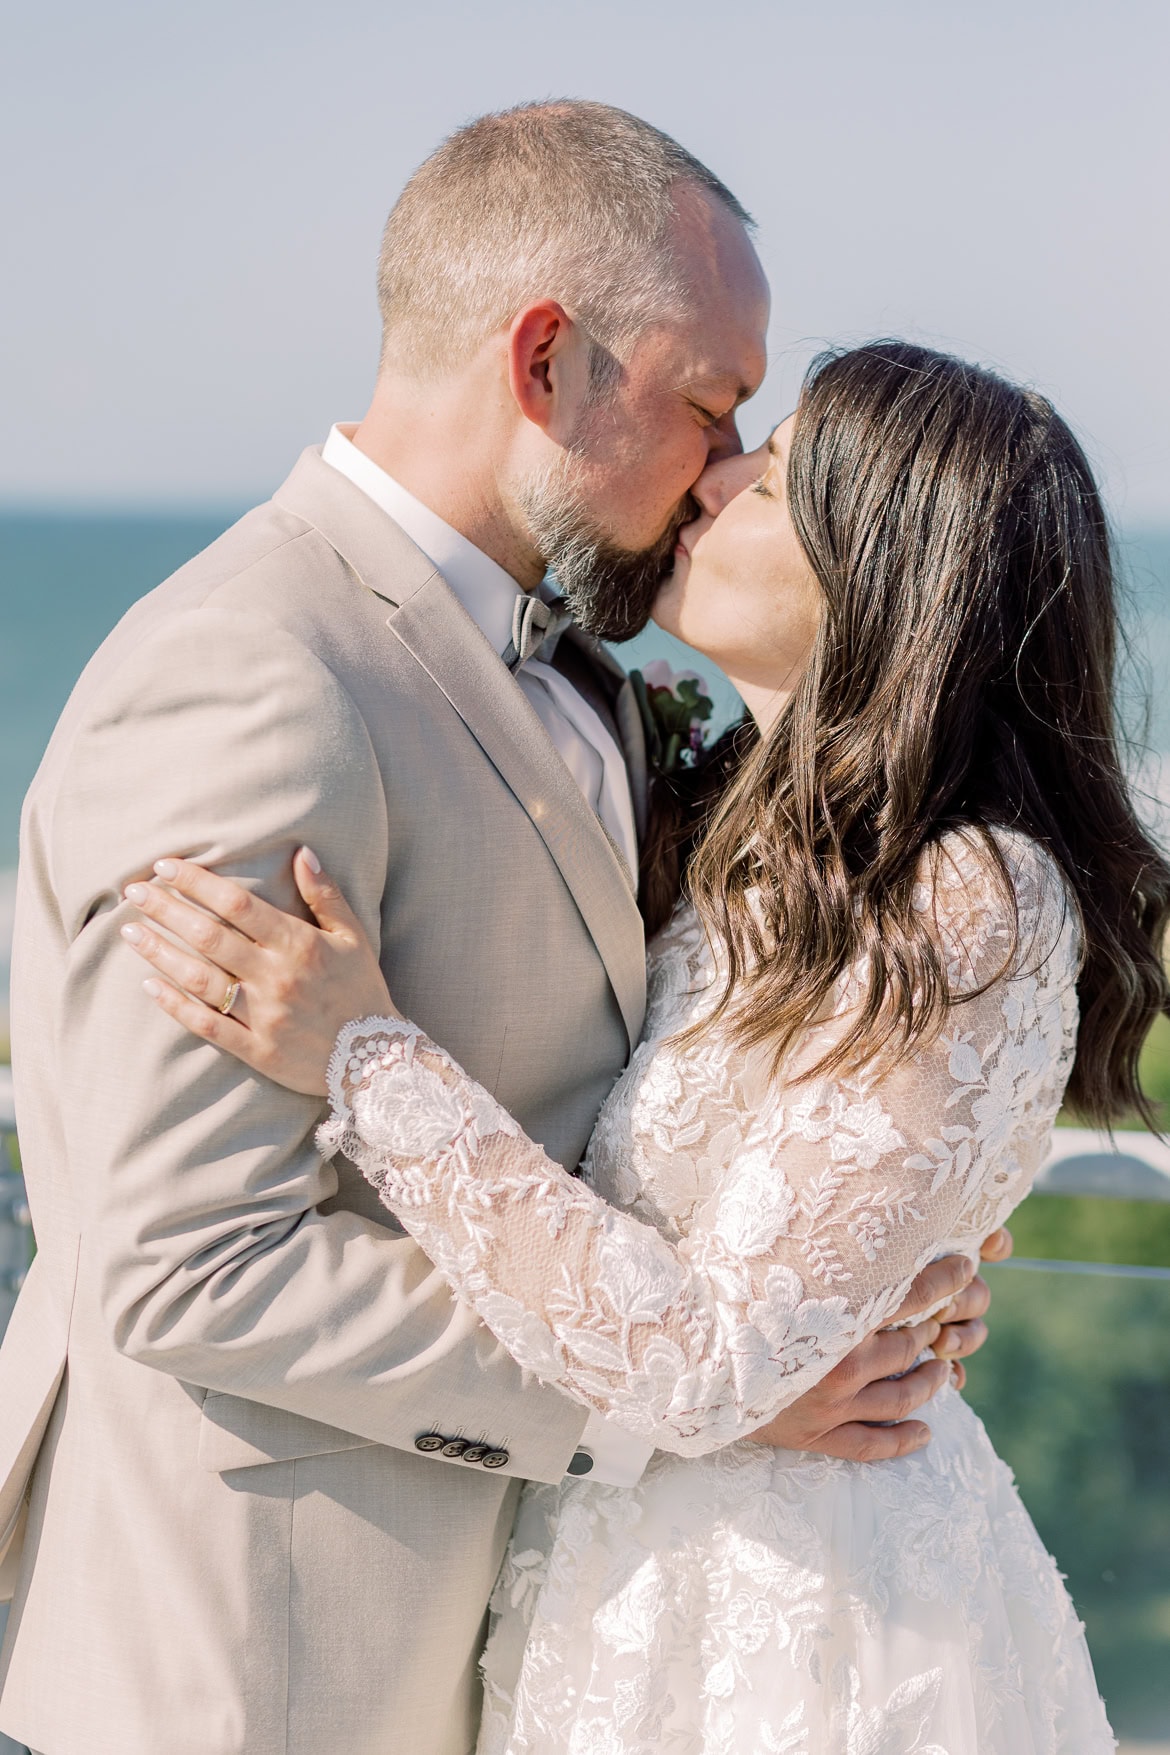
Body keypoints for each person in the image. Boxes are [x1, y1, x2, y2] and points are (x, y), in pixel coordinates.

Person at [0, 106, 994, 1755]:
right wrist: (709, 1393)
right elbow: (190, 1266)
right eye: (708, 403)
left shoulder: (597, 677)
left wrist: (862, 1255)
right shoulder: (254, 673)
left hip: (531, 1648)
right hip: (263, 1661)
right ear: (546, 362)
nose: (729, 471)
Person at [125, 341, 1170, 1753]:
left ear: (880, 569)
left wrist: (366, 1058)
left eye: (775, 473)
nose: (714, 475)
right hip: (621, 1581)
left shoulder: (967, 896)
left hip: (800, 1617)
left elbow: (710, 1365)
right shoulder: (748, 850)